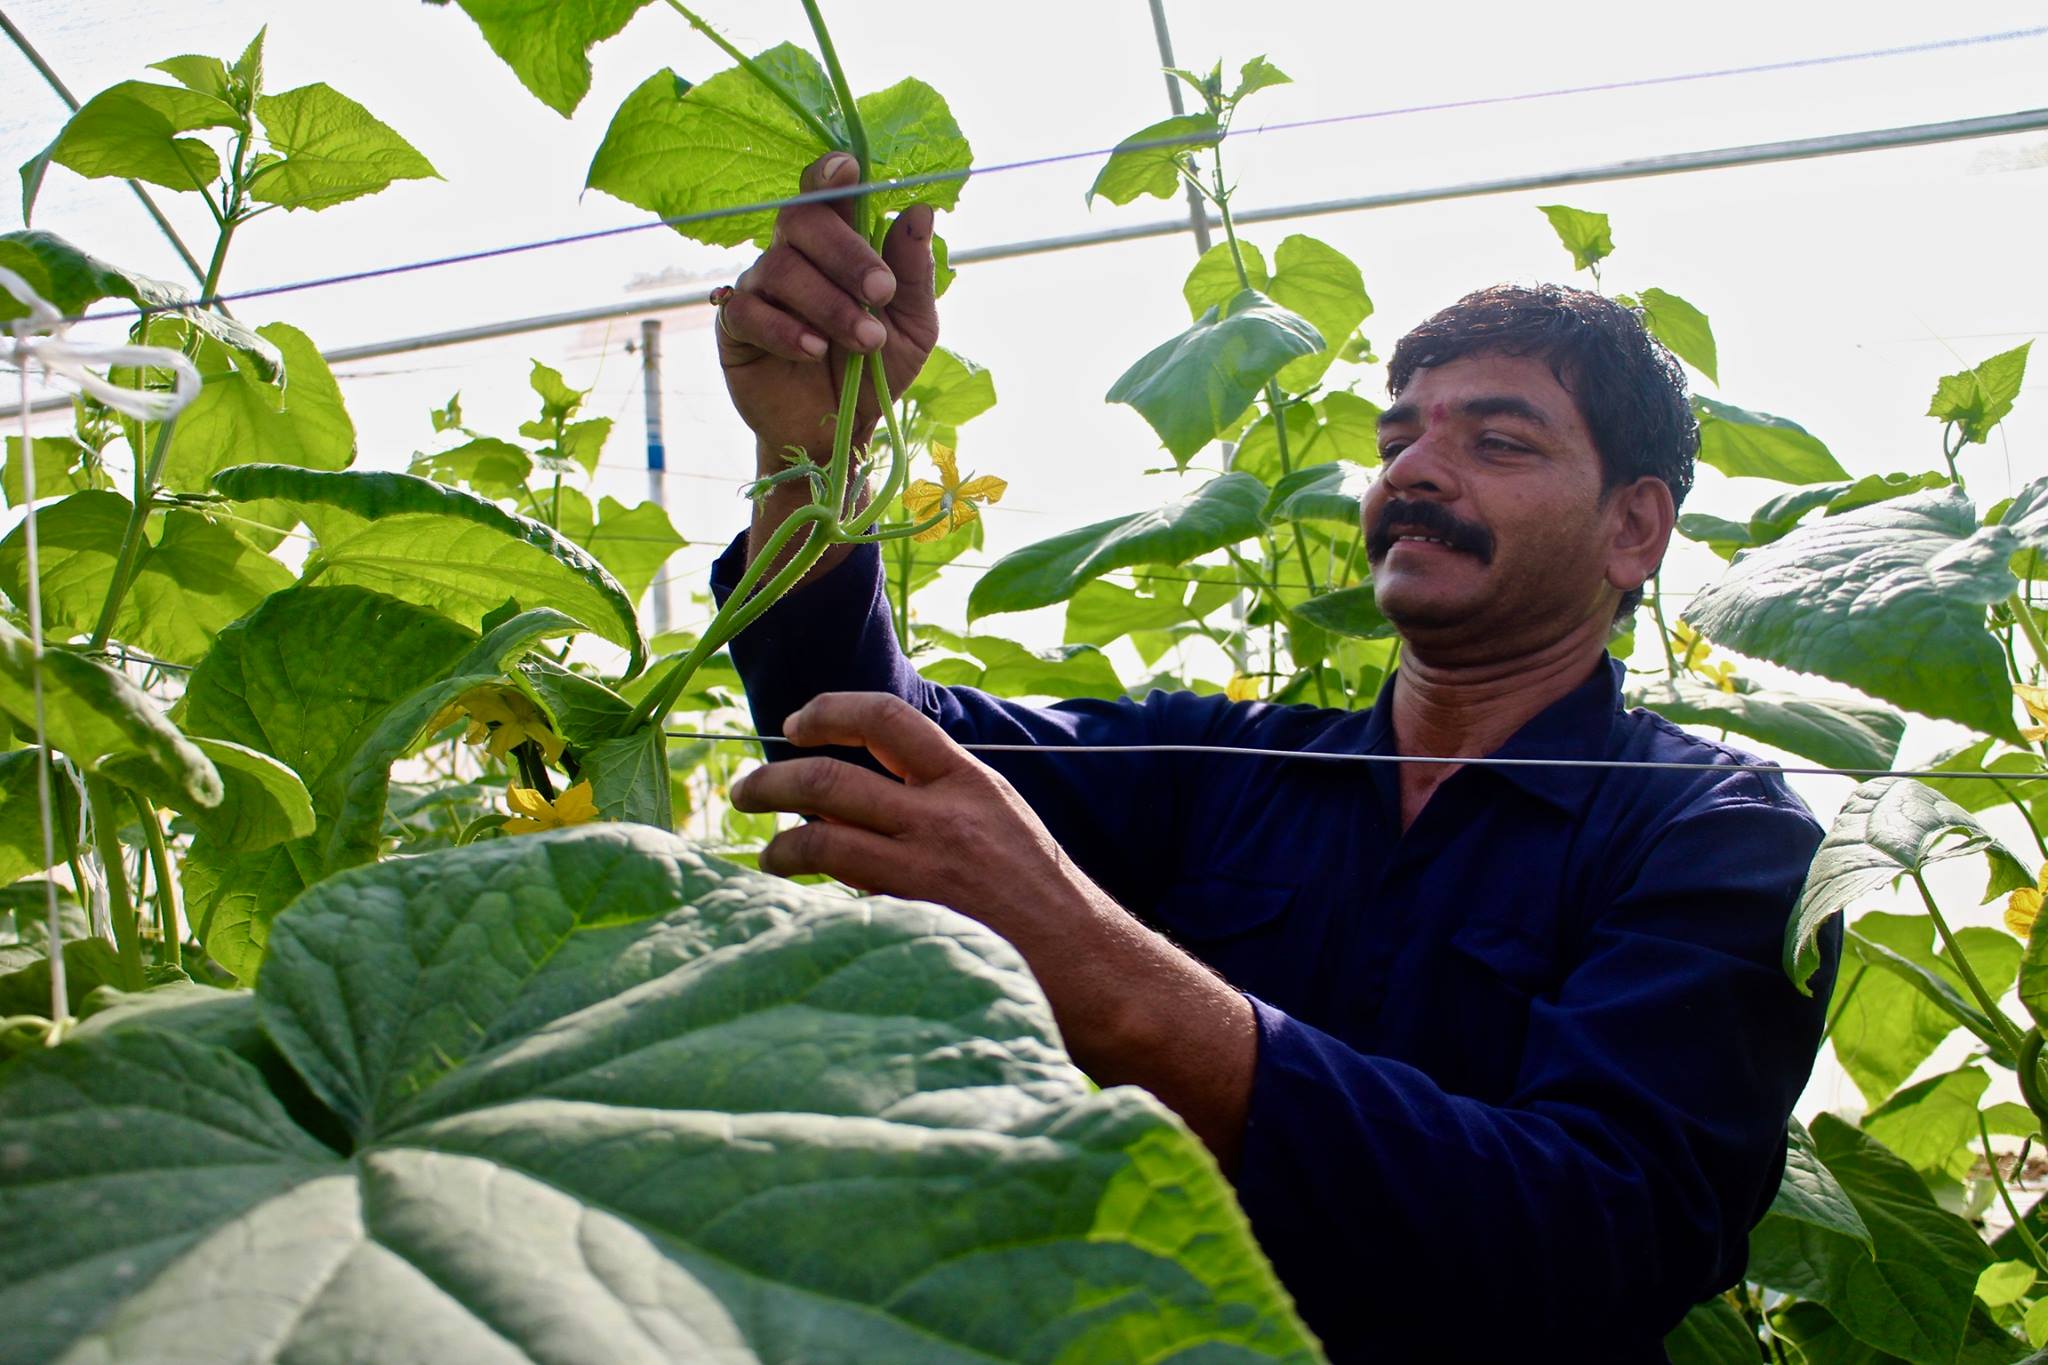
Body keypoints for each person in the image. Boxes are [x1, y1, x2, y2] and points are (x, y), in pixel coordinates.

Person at [708, 152, 1839, 1361]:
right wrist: (813, 459)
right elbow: (871, 744)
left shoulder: (1720, 839)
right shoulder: (1223, 762)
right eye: (1398, 438)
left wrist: (1097, 967)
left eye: (1498, 442)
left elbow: (1598, 1237)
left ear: (1632, 528)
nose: (1412, 469)